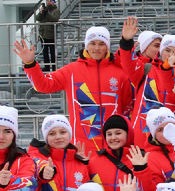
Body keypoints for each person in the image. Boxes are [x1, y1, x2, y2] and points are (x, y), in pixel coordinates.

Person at [14, 21, 136, 152]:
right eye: (92, 43)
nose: (97, 48)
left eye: (101, 44)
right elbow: (43, 85)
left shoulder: (119, 73)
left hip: (113, 145)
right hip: (82, 146)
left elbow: (127, 107)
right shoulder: (71, 71)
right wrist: (30, 64)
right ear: (86, 45)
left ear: (107, 46)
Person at [34, 0, 60, 70]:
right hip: (43, 33)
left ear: (54, 2)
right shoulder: (45, 9)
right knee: (45, 51)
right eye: (48, 1)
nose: (49, 2)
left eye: (50, 1)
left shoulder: (56, 10)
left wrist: (47, 13)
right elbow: (37, 18)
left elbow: (54, 19)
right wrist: (41, 12)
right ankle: (47, 66)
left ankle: (54, 66)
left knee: (52, 51)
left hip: (51, 33)